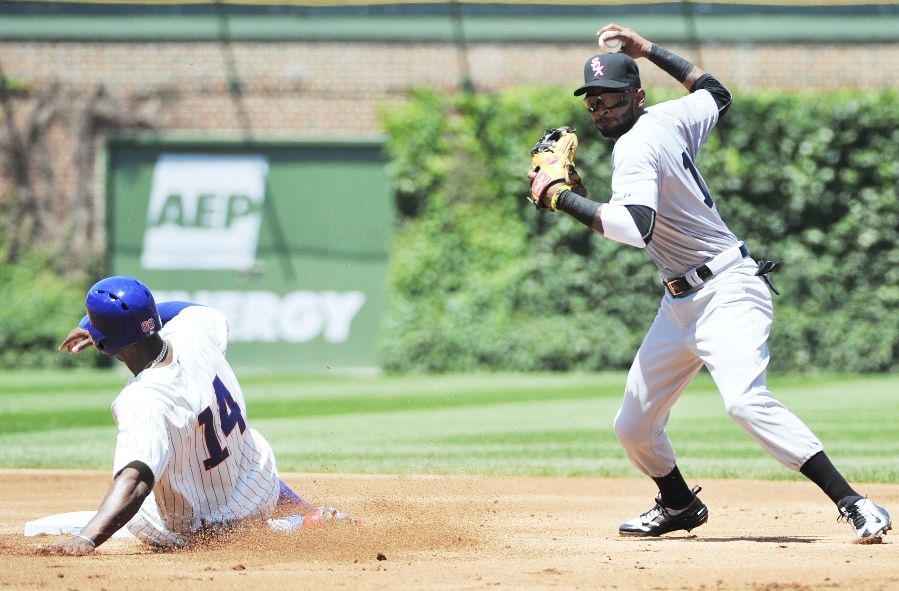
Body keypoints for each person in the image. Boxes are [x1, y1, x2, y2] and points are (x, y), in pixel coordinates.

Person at [527, 24, 891, 540]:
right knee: (632, 426)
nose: (602, 109)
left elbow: (635, 228)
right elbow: (715, 92)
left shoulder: (635, 148)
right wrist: (645, 49)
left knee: (743, 400)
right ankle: (677, 504)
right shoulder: (671, 115)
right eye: (593, 102)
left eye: (611, 98)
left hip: (728, 291)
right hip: (679, 301)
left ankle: (853, 502)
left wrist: (560, 197)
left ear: (636, 96)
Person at [35, 276, 354, 555]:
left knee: (147, 512)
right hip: (261, 486)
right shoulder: (194, 334)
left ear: (104, 345)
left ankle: (297, 524)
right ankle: (311, 510)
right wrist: (107, 324)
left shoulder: (143, 398)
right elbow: (186, 310)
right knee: (238, 447)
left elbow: (136, 482)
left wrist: (87, 539)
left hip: (216, 525)